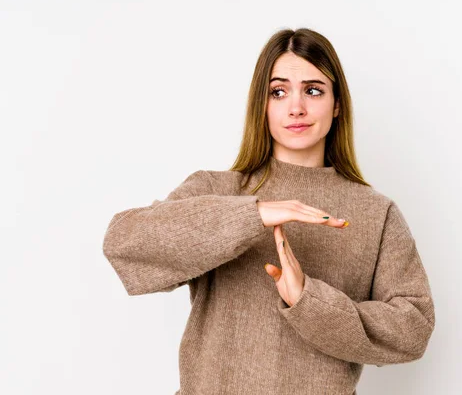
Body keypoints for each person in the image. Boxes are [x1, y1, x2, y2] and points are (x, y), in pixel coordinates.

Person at [102, 27, 435, 395]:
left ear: (337, 104)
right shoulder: (220, 190)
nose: (296, 107)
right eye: (278, 92)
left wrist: (309, 300)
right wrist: (252, 215)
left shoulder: (376, 213)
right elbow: (123, 243)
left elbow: (414, 329)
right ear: (262, 104)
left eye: (313, 90)